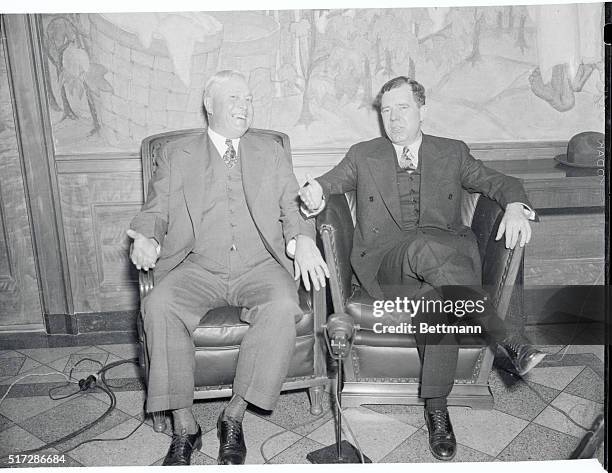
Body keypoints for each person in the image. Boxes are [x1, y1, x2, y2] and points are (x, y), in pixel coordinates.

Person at [299, 76, 545, 461]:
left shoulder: (452, 152)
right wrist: (314, 192)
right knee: (421, 245)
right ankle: (505, 333)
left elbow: (500, 181)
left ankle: (436, 408)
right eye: (386, 111)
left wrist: (515, 206)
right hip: (388, 264)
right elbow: (328, 184)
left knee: (440, 304)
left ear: (422, 111)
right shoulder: (364, 155)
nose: (393, 119)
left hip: (446, 269)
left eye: (403, 109)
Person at [128, 70, 329, 466]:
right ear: (209, 105)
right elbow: (156, 210)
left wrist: (304, 237)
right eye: (235, 98)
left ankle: (233, 415)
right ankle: (185, 426)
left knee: (282, 304)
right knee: (159, 306)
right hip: (197, 265)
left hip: (259, 264)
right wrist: (145, 237)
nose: (245, 106)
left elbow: (293, 205)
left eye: (249, 99)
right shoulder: (177, 153)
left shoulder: (269, 149)